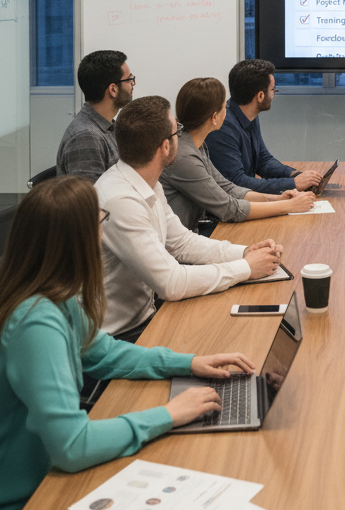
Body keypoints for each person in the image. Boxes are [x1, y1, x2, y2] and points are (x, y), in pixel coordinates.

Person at [0, 176, 255, 510]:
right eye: (99, 223)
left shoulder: (44, 289)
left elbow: (102, 352)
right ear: (77, 240)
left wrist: (187, 363)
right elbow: (72, 447)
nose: (102, 234)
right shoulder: (35, 320)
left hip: (18, 487)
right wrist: (168, 415)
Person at [97, 95, 283, 340]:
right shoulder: (121, 202)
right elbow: (170, 283)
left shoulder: (146, 181)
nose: (181, 137)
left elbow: (182, 243)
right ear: (165, 146)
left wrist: (245, 252)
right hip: (120, 336)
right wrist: (245, 268)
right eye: (177, 132)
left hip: (147, 316)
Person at [160, 76, 314, 229]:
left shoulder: (196, 144)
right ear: (214, 117)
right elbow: (228, 208)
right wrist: (287, 206)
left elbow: (228, 188)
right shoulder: (185, 156)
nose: (226, 110)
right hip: (180, 245)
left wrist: (278, 198)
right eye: (223, 107)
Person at [205, 59, 322, 196]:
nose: (274, 94)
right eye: (273, 89)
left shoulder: (249, 114)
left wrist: (294, 175)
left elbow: (262, 160)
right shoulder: (223, 127)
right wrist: (293, 184)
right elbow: (236, 182)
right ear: (260, 96)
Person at [55, 49, 134, 182]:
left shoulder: (106, 126)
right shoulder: (86, 137)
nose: (133, 83)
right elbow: (89, 199)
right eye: (129, 79)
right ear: (113, 89)